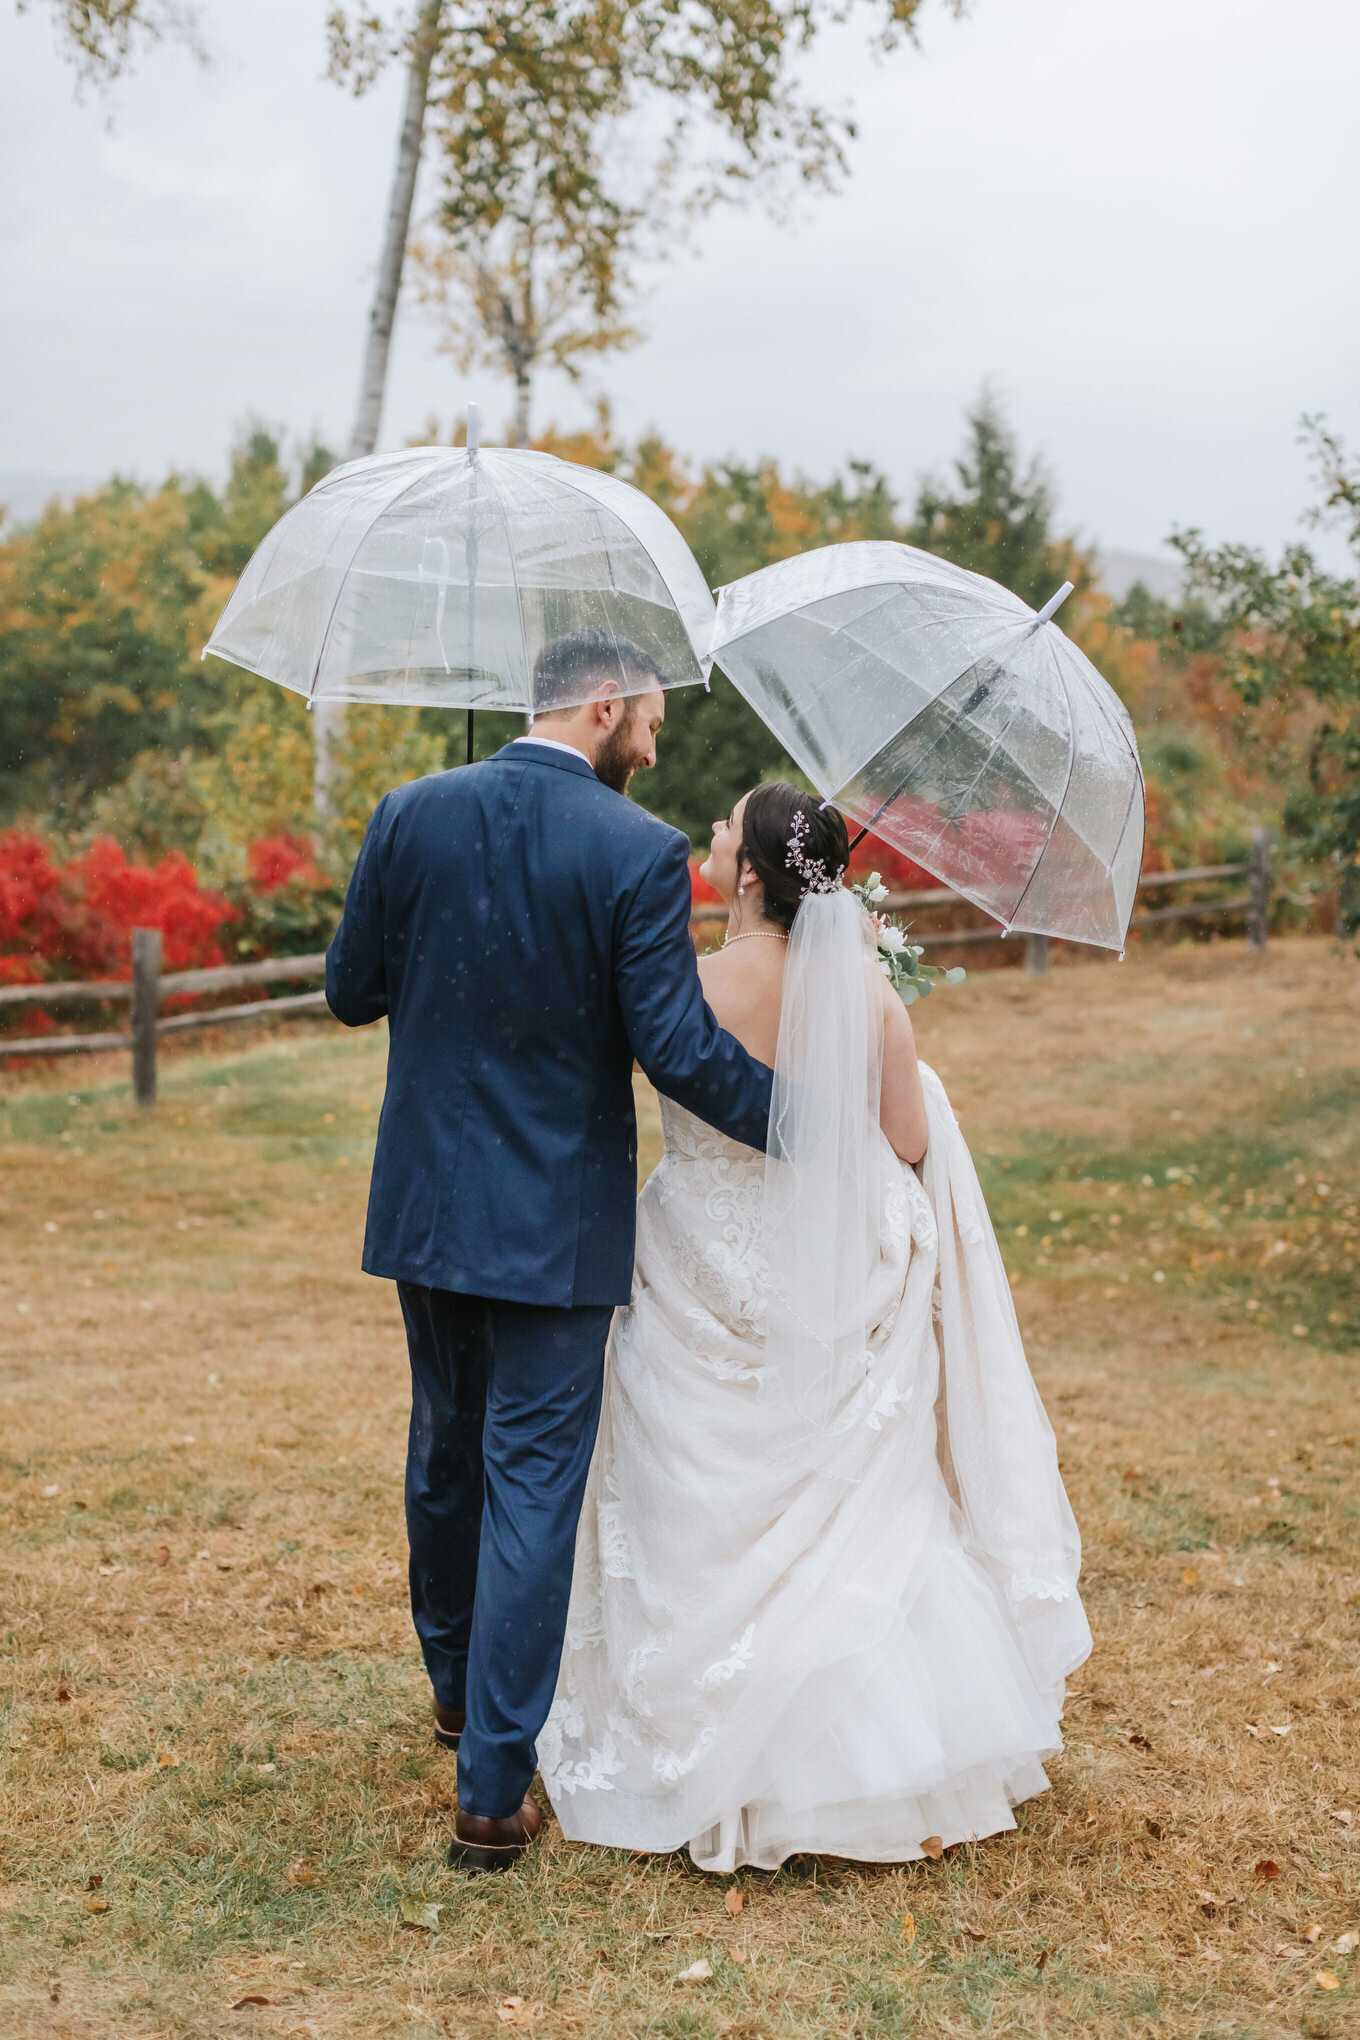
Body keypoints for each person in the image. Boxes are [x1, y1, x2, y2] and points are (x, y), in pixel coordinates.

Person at [541, 782, 1091, 1870]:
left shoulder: (685, 986)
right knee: (858, 1512)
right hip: (836, 1277)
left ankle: (698, 1738)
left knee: (690, 1492)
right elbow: (904, 1140)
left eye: (722, 828)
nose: (705, 837)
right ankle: (875, 1754)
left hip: (703, 1263)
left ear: (748, 873)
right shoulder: (870, 999)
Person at [324, 630, 774, 1873]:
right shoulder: (636, 851)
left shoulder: (407, 813)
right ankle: (490, 1787)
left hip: (427, 1205)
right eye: (651, 721)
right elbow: (677, 1052)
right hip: (557, 1225)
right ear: (604, 703)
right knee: (531, 1480)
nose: (655, 741)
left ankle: (459, 1697)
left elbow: (350, 990)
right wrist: (805, 1119)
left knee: (444, 1449)